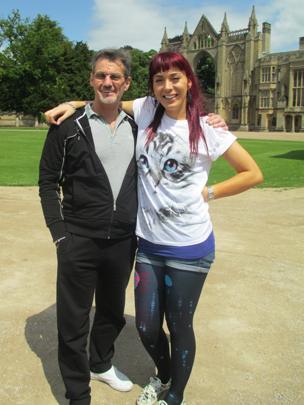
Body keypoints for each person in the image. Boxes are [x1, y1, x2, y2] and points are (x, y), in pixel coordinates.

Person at [44, 51, 262, 405]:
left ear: (188, 81)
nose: (167, 86)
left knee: (178, 327)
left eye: (175, 78)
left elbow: (253, 173)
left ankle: (173, 394)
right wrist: (71, 102)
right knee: (145, 328)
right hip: (147, 244)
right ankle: (162, 374)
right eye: (159, 80)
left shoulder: (207, 127)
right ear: (151, 87)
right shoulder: (146, 110)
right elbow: (106, 96)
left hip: (189, 246)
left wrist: (208, 192)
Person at [39, 48, 138, 405]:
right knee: (73, 321)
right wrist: (60, 235)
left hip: (123, 241)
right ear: (91, 80)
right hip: (78, 238)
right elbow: (48, 182)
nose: (107, 82)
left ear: (127, 82)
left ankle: (101, 363)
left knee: (111, 312)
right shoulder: (67, 126)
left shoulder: (140, 126)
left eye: (114, 76)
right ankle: (78, 393)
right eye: (100, 75)